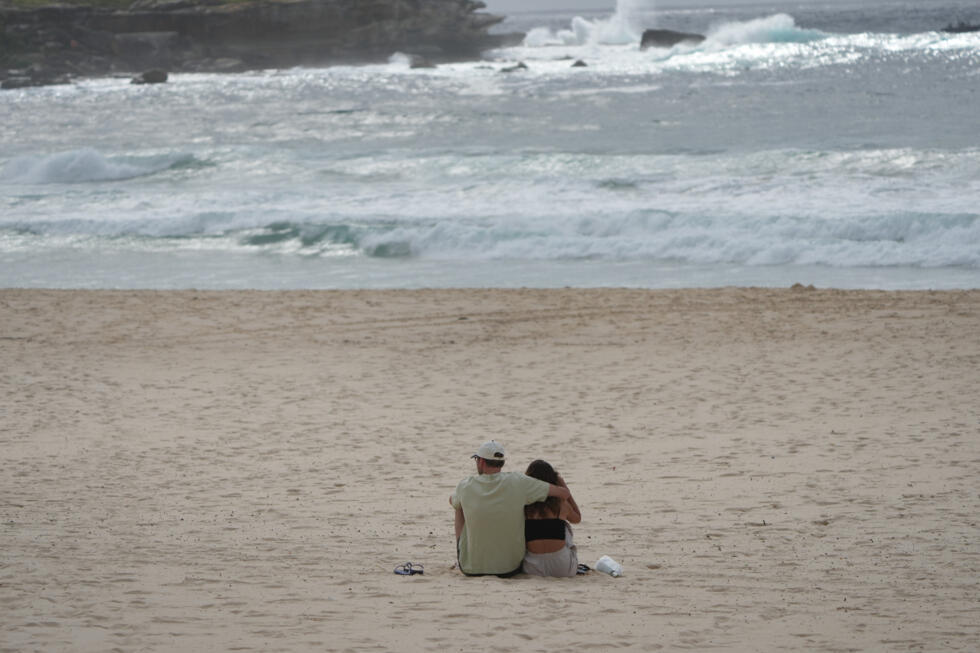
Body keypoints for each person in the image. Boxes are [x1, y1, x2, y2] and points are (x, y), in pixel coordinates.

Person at [451, 441, 571, 577]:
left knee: (458, 505)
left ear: (482, 462)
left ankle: (463, 553)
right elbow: (563, 494)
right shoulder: (518, 481)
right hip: (509, 568)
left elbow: (452, 500)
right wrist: (557, 479)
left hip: (471, 569)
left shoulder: (465, 485)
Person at [522, 459, 582, 577]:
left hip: (533, 567)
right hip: (562, 567)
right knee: (564, 525)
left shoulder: (525, 505)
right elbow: (577, 518)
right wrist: (564, 487)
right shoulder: (561, 504)